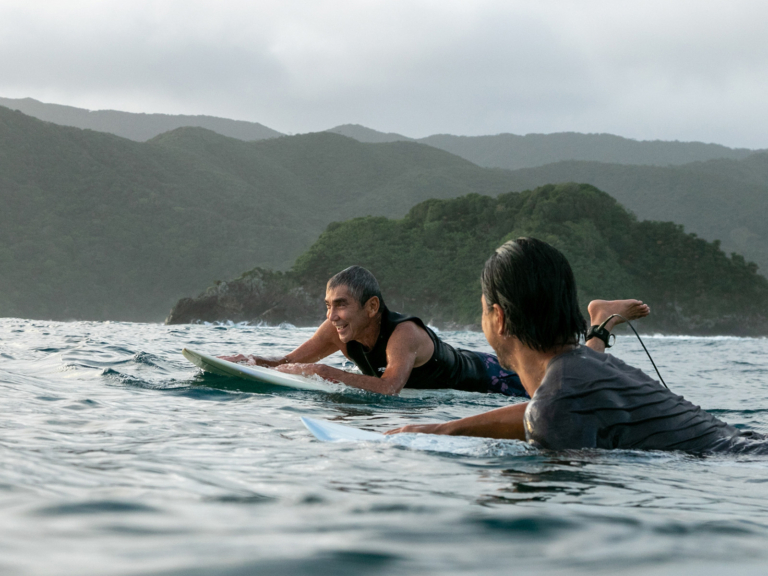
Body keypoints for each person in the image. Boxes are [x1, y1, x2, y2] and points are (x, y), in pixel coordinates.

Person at [387, 238, 767, 454]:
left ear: (499, 318)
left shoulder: (559, 399)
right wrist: (444, 430)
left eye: (483, 309)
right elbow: (544, 410)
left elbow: (550, 420)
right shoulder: (580, 369)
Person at [220, 265, 648, 397]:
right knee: (566, 373)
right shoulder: (339, 330)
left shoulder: (402, 334)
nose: (332, 315)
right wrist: (251, 362)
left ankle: (600, 321)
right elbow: (289, 363)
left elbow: (389, 389)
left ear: (372, 307)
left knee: (570, 379)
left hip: (486, 377)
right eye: (328, 306)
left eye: (341, 305)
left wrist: (325, 375)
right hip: (456, 370)